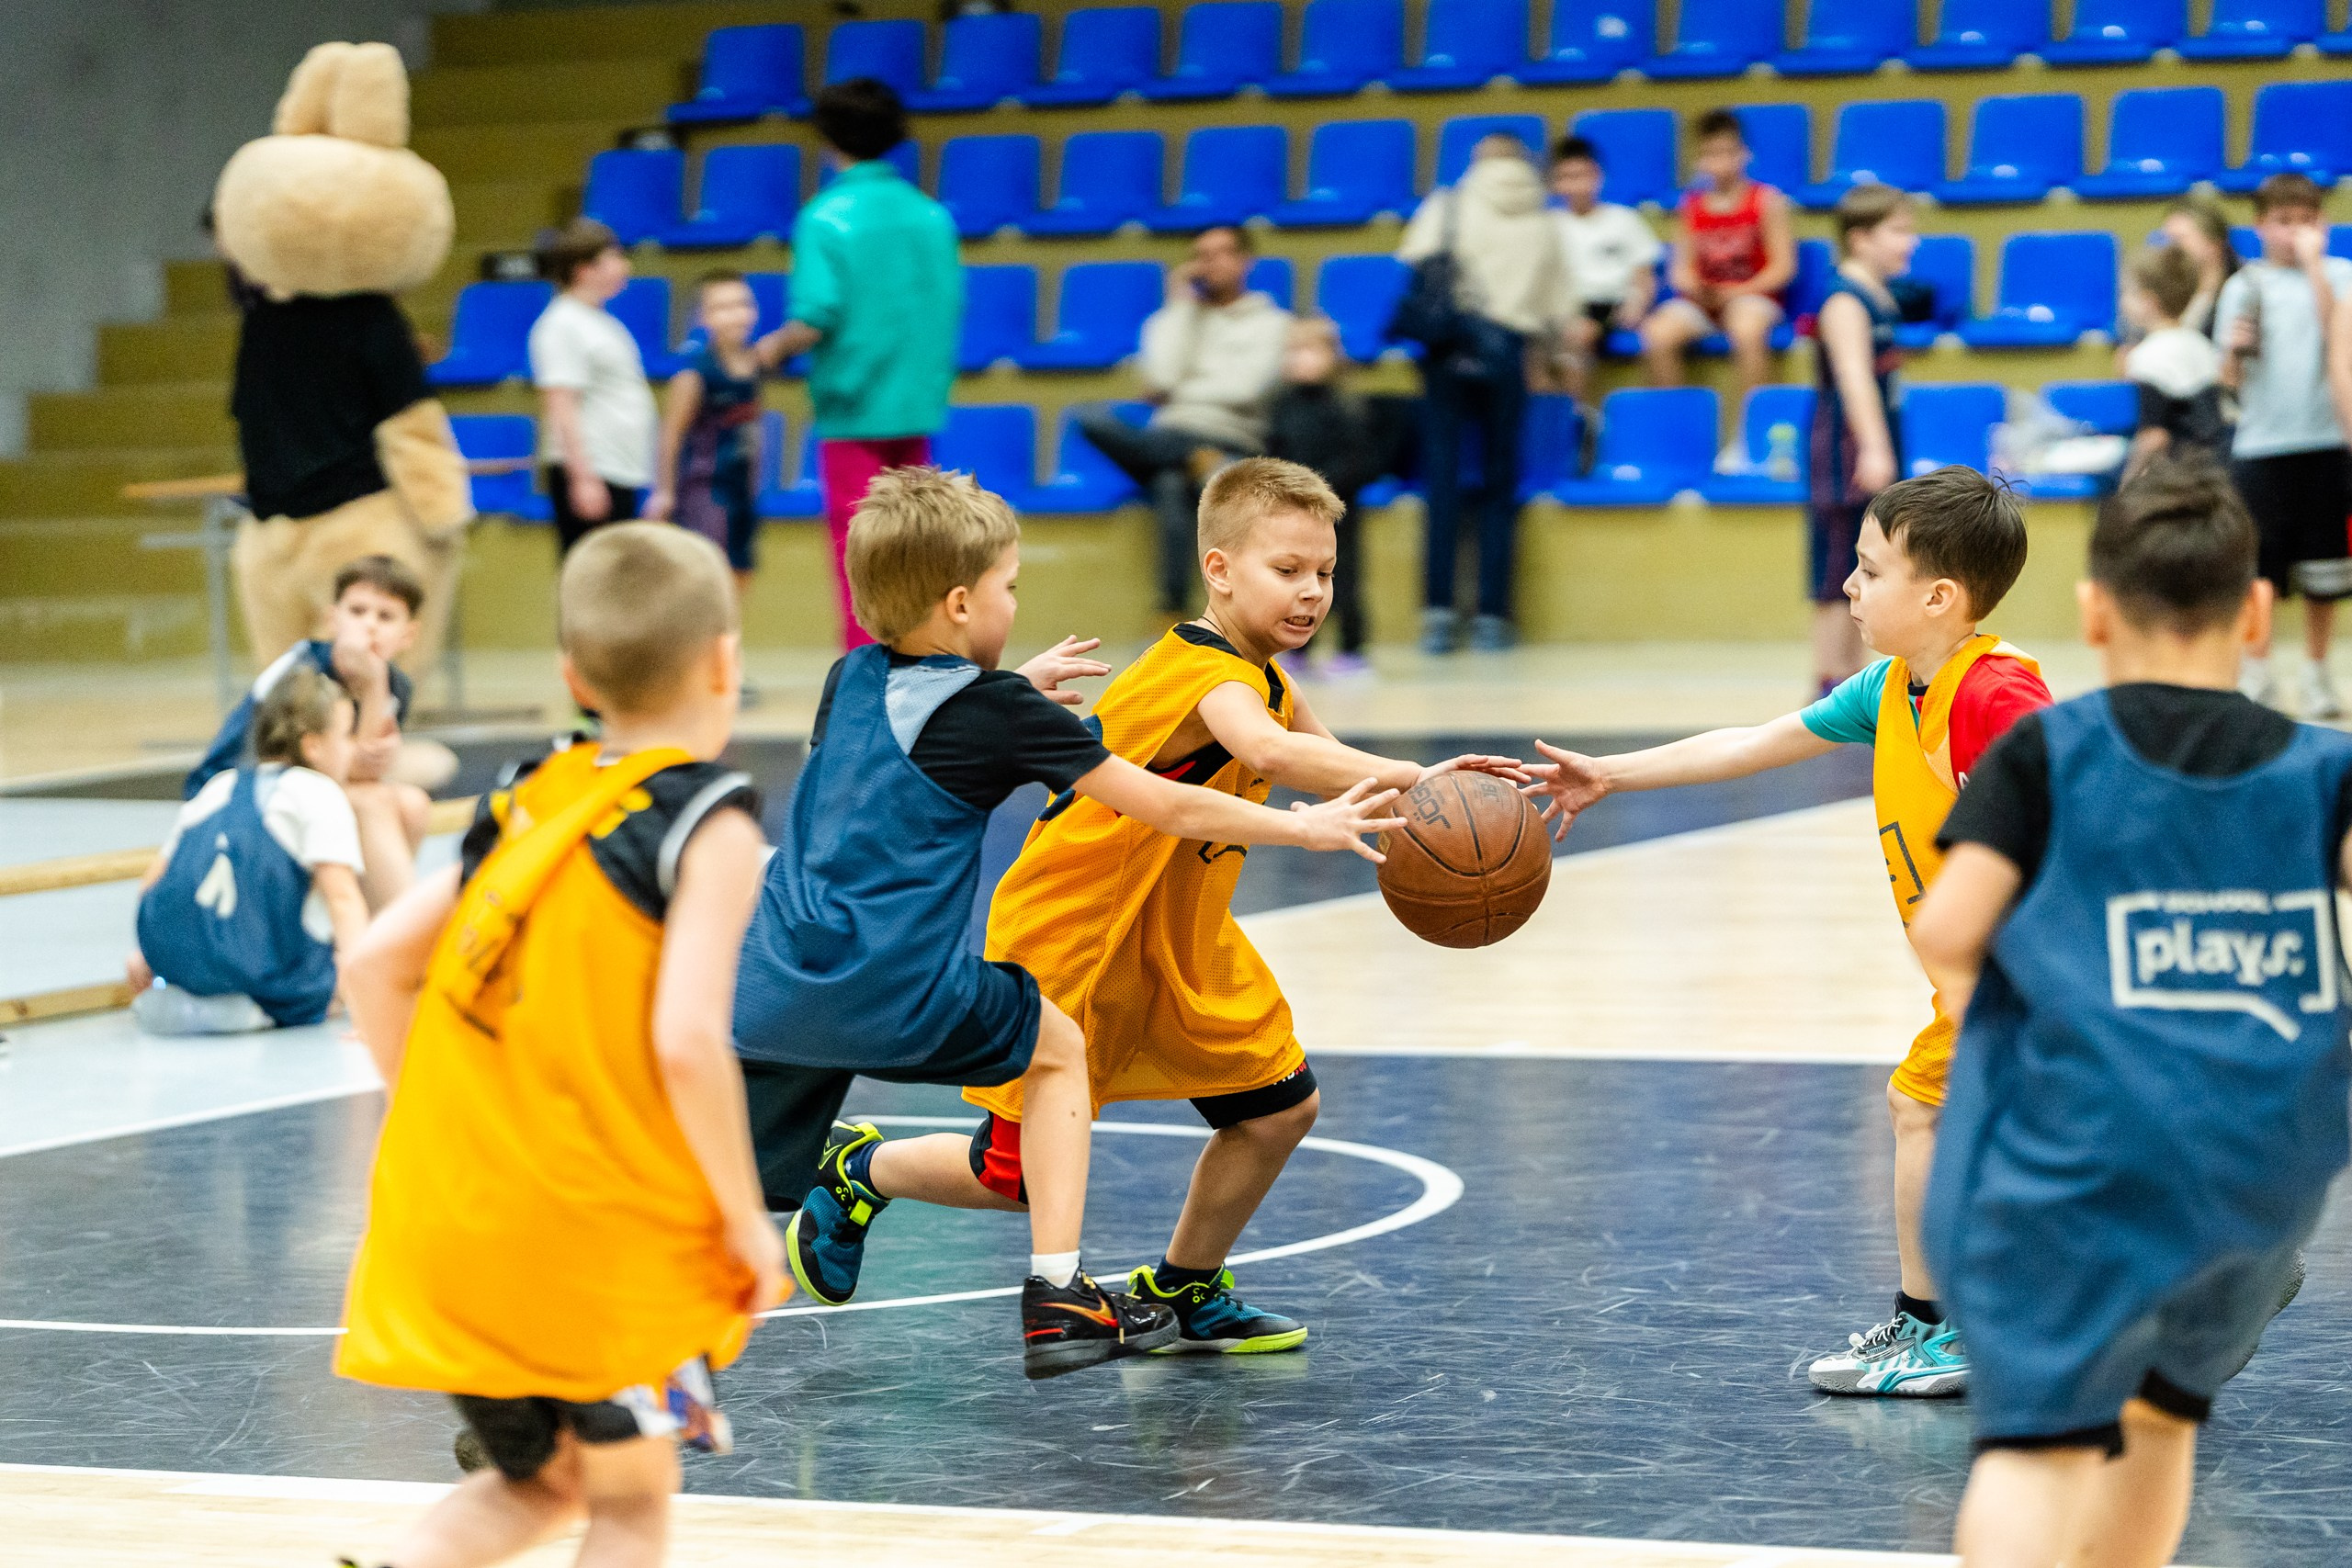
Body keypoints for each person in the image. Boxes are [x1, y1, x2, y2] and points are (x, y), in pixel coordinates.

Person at [785, 459, 1521, 1359]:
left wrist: (1428, 803)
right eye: (1285, 570)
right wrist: (1419, 777)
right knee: (1011, 1176)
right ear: (1218, 569)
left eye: (1323, 573)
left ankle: (1183, 1291)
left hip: (1176, 937)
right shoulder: (1202, 674)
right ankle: (860, 1166)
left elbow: (1318, 749)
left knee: (1277, 1111)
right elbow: (1270, 753)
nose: (1311, 593)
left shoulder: (1265, 676)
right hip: (1075, 939)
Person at [1524, 466, 2051, 1399]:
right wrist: (1609, 774)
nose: (1848, 585)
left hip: (2029, 982)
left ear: (1938, 596)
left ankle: (1945, 1329)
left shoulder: (1991, 694)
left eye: (1869, 569)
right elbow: (1750, 742)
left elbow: (2074, 800)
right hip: (1983, 987)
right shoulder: (1892, 688)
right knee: (1981, 1132)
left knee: (1927, 1114)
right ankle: (2168, 1274)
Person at [1912, 459, 2351, 1568]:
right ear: (2256, 612)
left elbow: (1947, 928)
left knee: (2038, 1448)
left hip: (2080, 1153)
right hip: (2260, 1168)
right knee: (2161, 1420)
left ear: (2092, 612)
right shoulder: (2326, 768)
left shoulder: (2045, 752)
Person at [334, 523, 783, 1568]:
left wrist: (449, 1123)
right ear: (726, 659)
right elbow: (684, 1041)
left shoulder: (528, 795)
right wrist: (743, 1219)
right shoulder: (707, 822)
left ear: (572, 675)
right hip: (590, 1238)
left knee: (546, 1482)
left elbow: (373, 968)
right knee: (629, 1502)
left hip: (449, 1215)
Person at [761, 78, 962, 652]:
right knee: (916, 551)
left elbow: (816, 313)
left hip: (852, 413)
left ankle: (868, 686)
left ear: (828, 137)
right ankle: (928, 669)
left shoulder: (825, 217)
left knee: (862, 559)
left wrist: (767, 351)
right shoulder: (931, 216)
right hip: (916, 406)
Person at [186, 555, 455, 910]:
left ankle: (375, 927)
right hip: (239, 796)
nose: (369, 626)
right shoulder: (304, 675)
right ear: (333, 619)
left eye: (385, 616)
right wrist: (375, 690)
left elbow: (361, 770)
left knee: (413, 805)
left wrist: (375, 684)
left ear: (408, 634)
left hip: (310, 786)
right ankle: (398, 937)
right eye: (357, 611)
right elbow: (325, 769)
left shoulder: (395, 684)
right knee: (371, 804)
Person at [1396, 133, 1578, 654]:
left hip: (1447, 354)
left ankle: (1437, 613)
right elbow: (1557, 307)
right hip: (1509, 356)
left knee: (1443, 485)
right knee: (1501, 488)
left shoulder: (1450, 204)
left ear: (1480, 161)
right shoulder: (1544, 221)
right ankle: (1494, 617)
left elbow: (1416, 266)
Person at [127, 664, 370, 1037]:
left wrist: (147, 955)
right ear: (314, 746)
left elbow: (154, 884)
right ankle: (267, 1001)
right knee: (329, 966)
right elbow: (343, 900)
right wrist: (366, 1000)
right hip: (259, 978)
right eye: (348, 735)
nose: (356, 747)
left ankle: (196, 995)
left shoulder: (217, 787)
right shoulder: (320, 794)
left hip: (179, 975)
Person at [1075, 226, 1292, 618]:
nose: (1209, 262)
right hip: (1171, 434)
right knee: (1091, 419)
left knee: (1169, 484)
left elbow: (1247, 389)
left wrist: (1180, 391)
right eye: (1200, 254)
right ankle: (1199, 460)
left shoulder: (1274, 324)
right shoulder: (1169, 321)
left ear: (1246, 260)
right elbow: (1162, 377)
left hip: (1231, 438)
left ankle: (1171, 612)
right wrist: (1180, 308)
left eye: (1222, 252)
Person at [2216, 172, 2352, 717]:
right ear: (2260, 226)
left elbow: (2335, 336)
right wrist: (2233, 352)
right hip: (2261, 448)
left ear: (2322, 224)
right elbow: (2226, 380)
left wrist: (2316, 265)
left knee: (2327, 574)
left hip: (2326, 444)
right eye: (2282, 221)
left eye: (2306, 220)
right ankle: (2257, 672)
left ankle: (2318, 674)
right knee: (2260, 573)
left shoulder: (2340, 276)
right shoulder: (2243, 286)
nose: (2294, 232)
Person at [1642, 108, 1795, 474]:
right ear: (1700, 160)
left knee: (1745, 328)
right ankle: (1677, 437)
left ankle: (1749, 438)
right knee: (1657, 333)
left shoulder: (1767, 201)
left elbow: (1783, 269)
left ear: (1745, 155)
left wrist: (1737, 290)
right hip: (1706, 301)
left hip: (1753, 296)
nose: (1720, 162)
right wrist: (1694, 287)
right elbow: (1680, 271)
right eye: (1711, 154)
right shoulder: (1691, 207)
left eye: (1728, 152)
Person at [1809, 185, 1919, 694]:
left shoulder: (1880, 295)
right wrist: (1875, 448)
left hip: (1872, 443)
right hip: (1845, 451)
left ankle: (1852, 682)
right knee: (1838, 567)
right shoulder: (1843, 300)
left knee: (1868, 563)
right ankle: (1828, 682)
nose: (1910, 242)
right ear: (1859, 239)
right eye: (1898, 231)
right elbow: (1855, 379)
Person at [1264, 315, 1401, 677]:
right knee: (1293, 585)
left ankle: (1352, 650)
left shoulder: (1346, 408)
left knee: (1343, 581)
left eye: (1310, 350)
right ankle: (1297, 649)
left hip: (1337, 512)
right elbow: (1271, 452)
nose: (1300, 359)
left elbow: (1363, 460)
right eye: (1293, 351)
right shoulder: (1280, 406)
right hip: (1291, 516)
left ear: (1332, 356)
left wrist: (1322, 492)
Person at [530, 218, 655, 556]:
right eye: (614, 257)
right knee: (590, 581)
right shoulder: (561, 324)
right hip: (595, 471)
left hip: (618, 469)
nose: (624, 265)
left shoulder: (601, 321)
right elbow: (561, 405)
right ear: (585, 269)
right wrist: (583, 479)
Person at [649, 271, 767, 613]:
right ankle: (698, 660)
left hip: (741, 491)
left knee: (741, 574)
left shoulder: (754, 365)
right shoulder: (694, 374)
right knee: (707, 580)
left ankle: (722, 658)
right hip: (705, 492)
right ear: (704, 317)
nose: (735, 314)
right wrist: (665, 492)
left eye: (742, 304)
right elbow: (670, 435)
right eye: (722, 307)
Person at [1547, 134, 1662, 414]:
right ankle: (1551, 424)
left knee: (1578, 334)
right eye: (1566, 177)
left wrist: (1637, 302)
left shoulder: (1624, 220)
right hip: (1563, 306)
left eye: (1581, 175)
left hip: (1608, 304)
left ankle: (1579, 421)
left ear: (1597, 176)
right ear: (1554, 182)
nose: (1575, 184)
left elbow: (1644, 275)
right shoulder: (1547, 226)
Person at [2122, 244, 2228, 479]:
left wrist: (2128, 479)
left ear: (2148, 302)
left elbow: (2155, 436)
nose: (2122, 301)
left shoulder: (2146, 356)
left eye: (2127, 293)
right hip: (2216, 469)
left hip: (2178, 476)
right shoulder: (2201, 343)